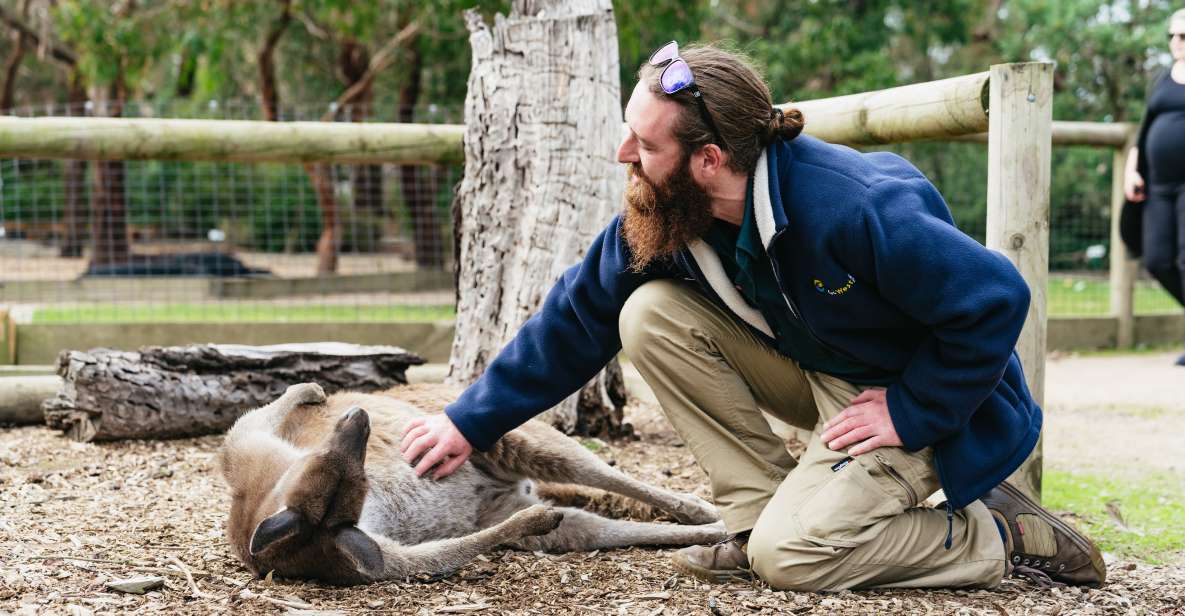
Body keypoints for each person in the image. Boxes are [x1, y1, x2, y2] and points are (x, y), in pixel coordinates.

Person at [399, 41, 1106, 591]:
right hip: (821, 374)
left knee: (793, 558)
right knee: (646, 313)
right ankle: (755, 519)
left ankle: (998, 538)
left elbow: (995, 298)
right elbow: (578, 315)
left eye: (644, 146)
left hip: (907, 399)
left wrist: (915, 408)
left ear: (707, 159)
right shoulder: (669, 212)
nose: (624, 156)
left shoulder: (854, 206)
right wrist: (468, 421)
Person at [1124, 9, 1185, 366]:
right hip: (1159, 185)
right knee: (1158, 259)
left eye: (1183, 36)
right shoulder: (1162, 78)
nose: (1175, 43)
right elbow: (1143, 130)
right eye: (1172, 36)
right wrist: (1132, 170)